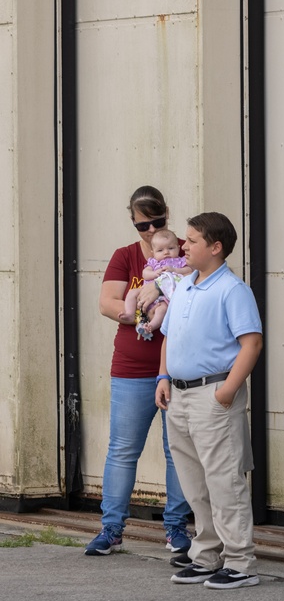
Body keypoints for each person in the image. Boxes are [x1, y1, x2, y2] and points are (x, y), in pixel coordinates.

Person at [154, 212, 264, 590]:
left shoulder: (232, 290)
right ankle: (206, 556)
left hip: (213, 395)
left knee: (224, 480)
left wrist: (228, 390)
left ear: (215, 248)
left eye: (191, 241)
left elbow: (251, 343)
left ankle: (240, 562)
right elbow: (168, 336)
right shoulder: (184, 285)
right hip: (179, 395)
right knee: (193, 481)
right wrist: (163, 376)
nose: (183, 246)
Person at [86, 186, 192, 558]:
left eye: (157, 223)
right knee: (122, 450)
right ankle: (111, 529)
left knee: (176, 450)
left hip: (178, 368)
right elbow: (106, 303)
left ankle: (176, 529)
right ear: (133, 222)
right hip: (131, 368)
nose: (150, 232)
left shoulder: (184, 248)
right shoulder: (126, 256)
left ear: (167, 213)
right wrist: (142, 308)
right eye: (142, 225)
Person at [122, 228, 193, 339]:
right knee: (132, 292)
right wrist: (154, 274)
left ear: (178, 248)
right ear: (153, 252)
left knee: (162, 310)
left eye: (171, 248)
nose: (166, 252)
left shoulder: (180, 261)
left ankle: (151, 326)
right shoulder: (154, 262)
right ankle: (130, 313)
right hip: (145, 291)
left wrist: (175, 270)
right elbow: (145, 273)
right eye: (160, 250)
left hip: (164, 296)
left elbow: (189, 271)